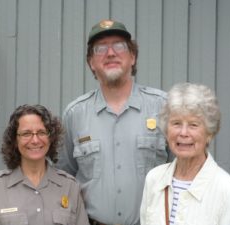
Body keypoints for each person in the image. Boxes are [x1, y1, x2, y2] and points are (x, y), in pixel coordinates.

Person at [56, 19, 172, 225]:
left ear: (133, 56)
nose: (110, 53)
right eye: (100, 48)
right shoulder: (75, 114)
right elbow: (64, 178)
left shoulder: (164, 107)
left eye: (119, 46)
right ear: (91, 62)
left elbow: (185, 170)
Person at [140, 83, 230, 225]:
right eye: (176, 123)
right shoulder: (154, 179)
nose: (183, 133)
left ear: (209, 132)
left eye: (193, 125)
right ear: (166, 130)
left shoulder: (228, 190)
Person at [0, 104, 89, 225]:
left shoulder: (70, 187)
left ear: (51, 138)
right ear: (14, 140)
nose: (35, 140)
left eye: (41, 132)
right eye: (26, 134)